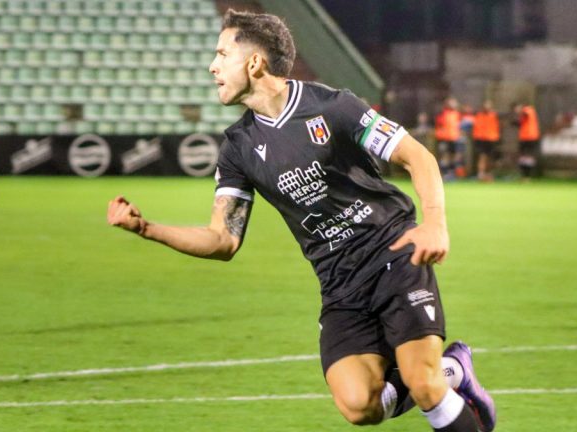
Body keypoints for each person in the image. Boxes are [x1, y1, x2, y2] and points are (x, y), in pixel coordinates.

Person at [108, 10, 495, 432]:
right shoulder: (238, 148)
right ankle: (453, 370)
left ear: (254, 63)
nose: (212, 66)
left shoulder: (333, 106)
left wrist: (435, 223)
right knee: (358, 406)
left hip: (395, 255)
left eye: (221, 54)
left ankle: (440, 380)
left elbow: (416, 155)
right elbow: (222, 240)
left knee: (423, 384)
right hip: (339, 282)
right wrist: (146, 229)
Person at [472, 100, 501, 182]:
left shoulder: (494, 115)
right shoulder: (479, 115)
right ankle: (481, 174)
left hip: (491, 139)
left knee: (490, 158)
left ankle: (489, 174)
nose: (486, 107)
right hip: (481, 139)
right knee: (482, 157)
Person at [434, 97, 461, 180]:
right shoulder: (442, 114)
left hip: (454, 138)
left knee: (453, 156)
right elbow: (438, 125)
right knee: (444, 156)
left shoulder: (456, 114)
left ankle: (451, 173)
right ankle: (441, 174)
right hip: (444, 138)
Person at [512, 102, 540, 181]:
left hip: (530, 137)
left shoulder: (528, 109)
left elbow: (525, 114)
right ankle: (524, 176)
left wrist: (519, 111)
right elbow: (521, 123)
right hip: (524, 137)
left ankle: (527, 176)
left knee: (528, 156)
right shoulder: (524, 114)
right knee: (523, 157)